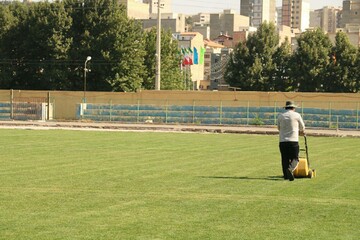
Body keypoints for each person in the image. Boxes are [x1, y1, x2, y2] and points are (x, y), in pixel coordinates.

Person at [277, 101, 305, 181]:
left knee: (284, 159)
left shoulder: (280, 116)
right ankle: (291, 168)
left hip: (282, 141)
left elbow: (278, 128)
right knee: (295, 158)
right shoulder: (297, 115)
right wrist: (301, 132)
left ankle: (286, 175)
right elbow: (302, 127)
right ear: (293, 108)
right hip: (293, 140)